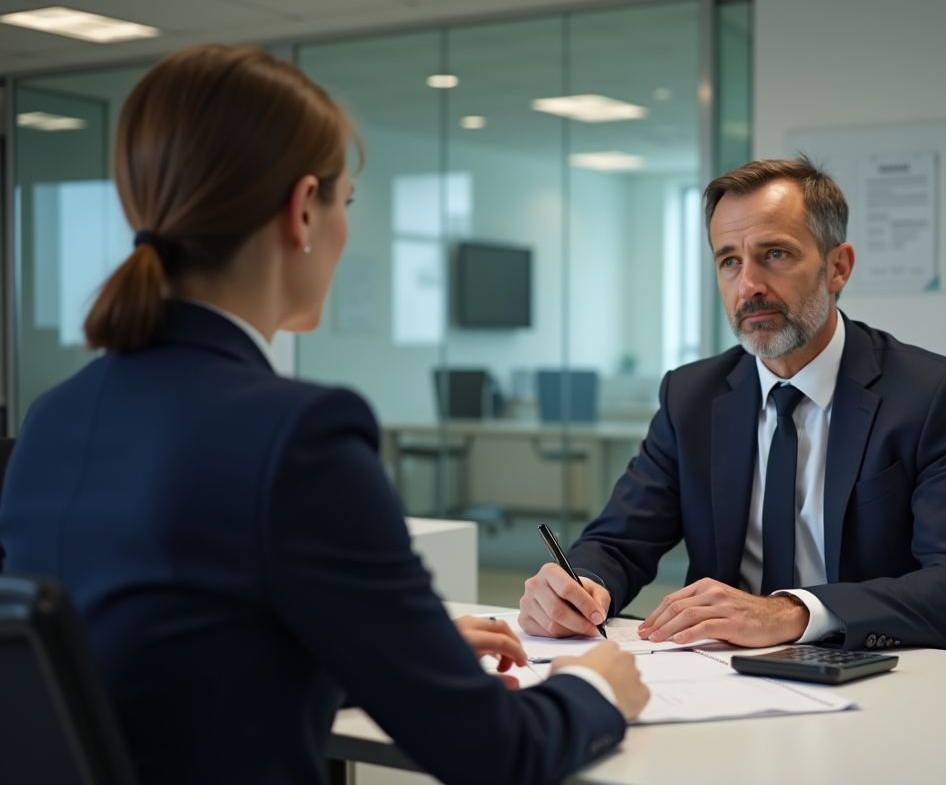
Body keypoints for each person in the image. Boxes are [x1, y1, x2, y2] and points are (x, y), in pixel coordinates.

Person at [0, 45, 648, 785]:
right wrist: (597, 686)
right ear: (304, 208)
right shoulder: (297, 436)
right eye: (346, 202)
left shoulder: (53, 418)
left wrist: (398, 650)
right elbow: (494, 750)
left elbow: (161, 672)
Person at [519, 157, 946, 653]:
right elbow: (619, 542)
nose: (748, 285)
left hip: (879, 675)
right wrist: (578, 586)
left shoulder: (930, 393)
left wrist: (794, 612)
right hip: (722, 676)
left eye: (775, 254)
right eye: (729, 260)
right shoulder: (692, 395)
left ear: (838, 267)